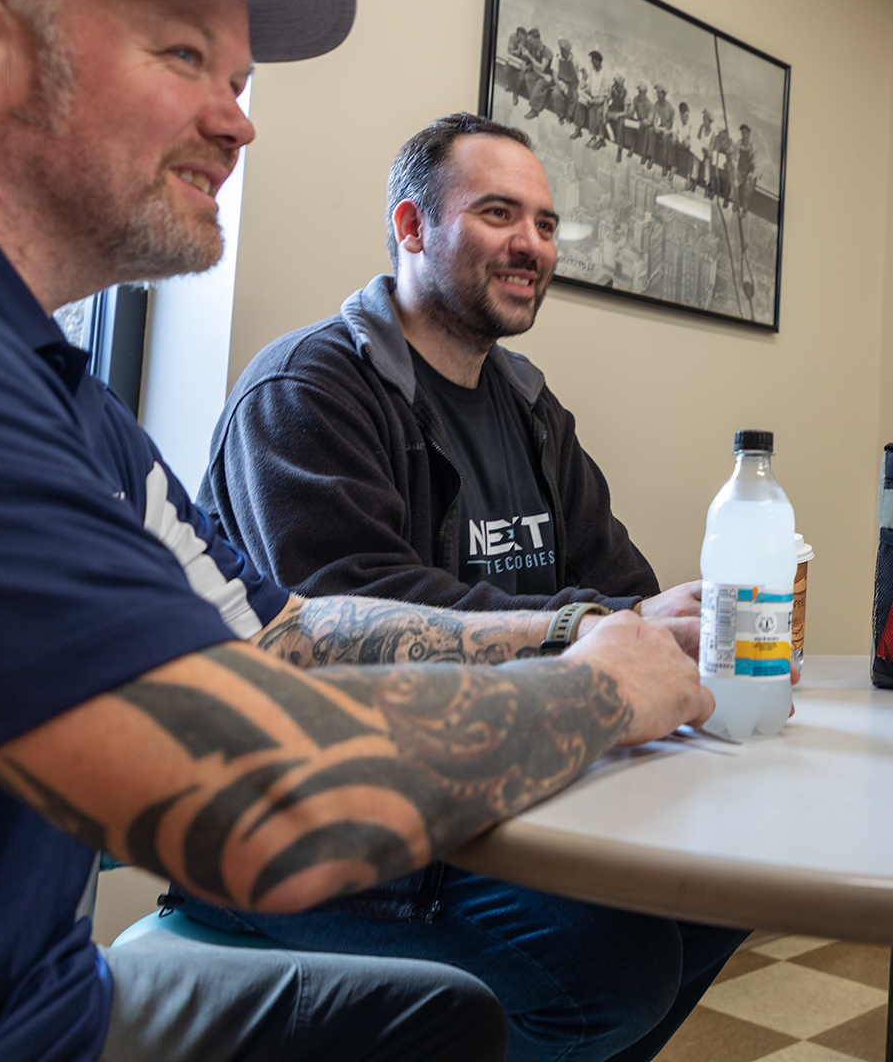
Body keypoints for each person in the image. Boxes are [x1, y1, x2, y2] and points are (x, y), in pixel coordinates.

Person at [0, 0, 711, 1062]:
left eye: (238, 76)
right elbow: (264, 799)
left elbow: (285, 631)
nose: (239, 124)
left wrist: (566, 628)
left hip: (38, 991)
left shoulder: (52, 384)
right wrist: (601, 687)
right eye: (184, 55)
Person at [192, 109, 737, 1062]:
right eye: (498, 214)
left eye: (547, 223)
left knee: (727, 885)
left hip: (494, 786)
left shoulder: (529, 404)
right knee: (609, 968)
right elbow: (344, 620)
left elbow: (621, 586)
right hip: (325, 815)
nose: (532, 244)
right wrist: (587, 629)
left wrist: (666, 632)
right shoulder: (303, 394)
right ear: (410, 228)